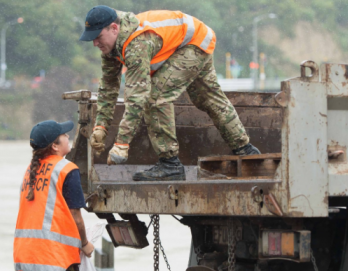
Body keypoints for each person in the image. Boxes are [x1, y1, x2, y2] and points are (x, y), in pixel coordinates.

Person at [81, 6, 261, 181]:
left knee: (156, 98)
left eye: (98, 37)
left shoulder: (137, 44)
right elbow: (108, 87)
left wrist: (121, 144)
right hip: (192, 39)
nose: (95, 43)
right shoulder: (111, 46)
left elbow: (137, 97)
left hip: (192, 43)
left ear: (114, 28)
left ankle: (170, 164)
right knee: (207, 98)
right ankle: (246, 150)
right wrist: (101, 126)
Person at [13, 120, 94, 271]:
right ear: (55, 146)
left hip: (25, 258)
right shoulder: (66, 169)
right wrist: (84, 243)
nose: (67, 136)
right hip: (56, 260)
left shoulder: (30, 171)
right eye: (64, 135)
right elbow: (76, 216)